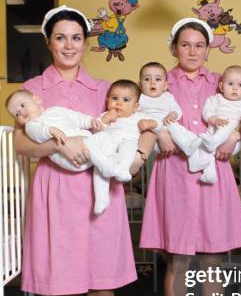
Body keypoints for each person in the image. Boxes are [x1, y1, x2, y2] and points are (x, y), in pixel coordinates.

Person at [14, 5, 137, 296]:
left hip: (98, 192)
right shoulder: (32, 89)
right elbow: (20, 144)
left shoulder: (103, 87)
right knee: (68, 289)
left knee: (102, 286)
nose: (69, 44)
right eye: (61, 37)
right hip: (56, 192)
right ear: (48, 41)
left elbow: (131, 125)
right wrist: (60, 145)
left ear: (87, 43)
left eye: (77, 37)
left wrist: (136, 155)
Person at [139, 17, 241, 296]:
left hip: (212, 177)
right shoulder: (159, 81)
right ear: (174, 47)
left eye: (199, 45)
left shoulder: (220, 82)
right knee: (178, 262)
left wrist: (235, 138)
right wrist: (158, 135)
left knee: (212, 262)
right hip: (173, 176)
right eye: (185, 44)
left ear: (208, 48)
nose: (192, 51)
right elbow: (135, 114)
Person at [7, 80, 144, 215]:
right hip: (70, 160)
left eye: (23, 105)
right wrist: (52, 133)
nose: (21, 112)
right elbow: (36, 134)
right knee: (96, 150)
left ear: (36, 99)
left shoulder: (54, 110)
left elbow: (75, 117)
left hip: (89, 148)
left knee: (104, 139)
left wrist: (90, 121)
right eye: (17, 114)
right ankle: (109, 167)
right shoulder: (32, 125)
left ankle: (102, 197)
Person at [189, 64, 241, 184]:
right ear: (221, 86)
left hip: (234, 139)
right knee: (209, 156)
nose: (235, 88)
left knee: (227, 127)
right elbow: (207, 112)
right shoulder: (216, 99)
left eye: (240, 85)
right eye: (230, 84)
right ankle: (209, 174)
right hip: (215, 130)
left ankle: (212, 144)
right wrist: (213, 120)